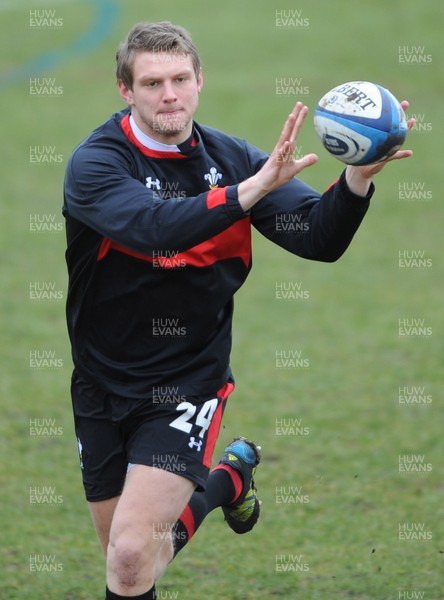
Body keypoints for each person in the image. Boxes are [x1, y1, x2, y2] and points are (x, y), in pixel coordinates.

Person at [63, 21, 414, 600]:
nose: (169, 94)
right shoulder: (97, 165)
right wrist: (249, 192)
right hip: (100, 383)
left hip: (186, 382)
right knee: (134, 558)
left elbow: (316, 238)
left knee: (128, 557)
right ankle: (226, 482)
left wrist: (354, 179)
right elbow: (156, 229)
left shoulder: (235, 161)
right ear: (126, 91)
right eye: (152, 83)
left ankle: (214, 479)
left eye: (180, 79)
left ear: (200, 81)